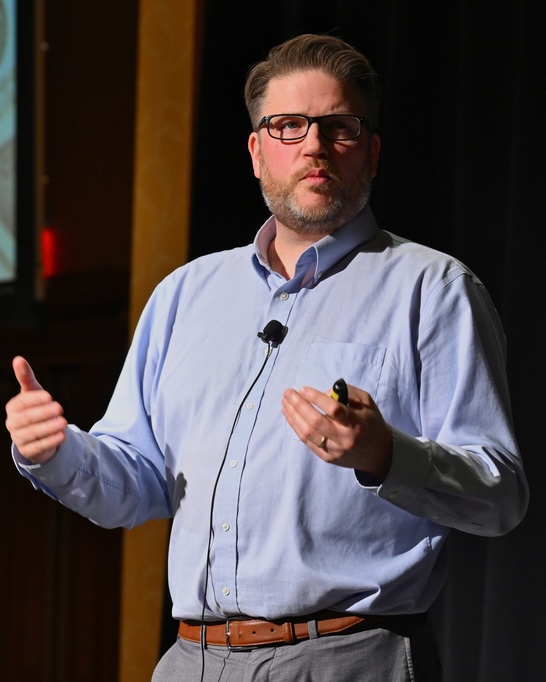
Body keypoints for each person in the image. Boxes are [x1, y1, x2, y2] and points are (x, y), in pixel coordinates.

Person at [5, 33, 528, 682]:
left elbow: (500, 494)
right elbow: (135, 486)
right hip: (191, 659)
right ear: (256, 152)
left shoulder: (434, 290)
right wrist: (56, 452)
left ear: (371, 151)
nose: (314, 145)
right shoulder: (185, 295)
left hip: (347, 657)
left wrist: (385, 454)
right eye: (287, 126)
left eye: (339, 126)